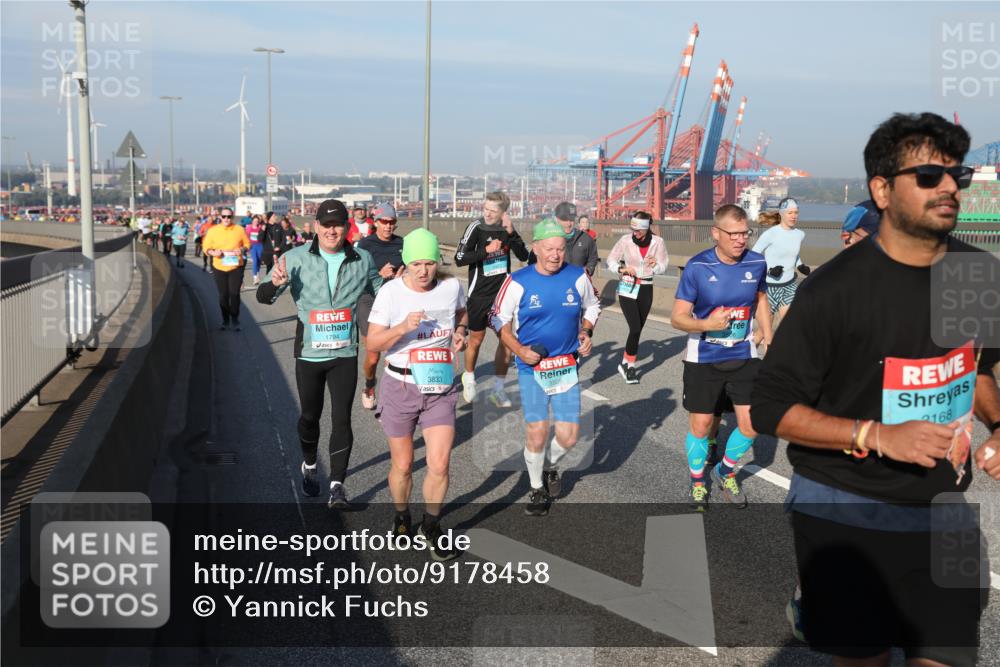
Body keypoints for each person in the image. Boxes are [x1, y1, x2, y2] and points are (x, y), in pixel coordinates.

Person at [751, 112, 999, 667]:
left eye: (957, 175)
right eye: (929, 176)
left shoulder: (978, 276)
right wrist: (878, 434)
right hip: (845, 512)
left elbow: (982, 368)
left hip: (943, 512)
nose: (949, 188)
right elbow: (768, 408)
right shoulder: (833, 292)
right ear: (882, 190)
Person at [257, 199, 383, 509]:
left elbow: (383, 294)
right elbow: (263, 297)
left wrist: (403, 286)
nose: (332, 230)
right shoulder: (295, 257)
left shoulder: (362, 258)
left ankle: (338, 485)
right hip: (309, 353)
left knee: (342, 418)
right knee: (309, 417)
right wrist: (274, 283)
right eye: (326, 225)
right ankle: (310, 464)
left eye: (338, 224)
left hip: (344, 352)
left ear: (346, 227)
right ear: (316, 227)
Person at [366, 229, 467, 560]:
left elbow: (461, 314)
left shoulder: (451, 287)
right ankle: (401, 516)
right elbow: (372, 344)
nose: (424, 271)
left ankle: (432, 526)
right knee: (404, 464)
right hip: (401, 385)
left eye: (429, 263)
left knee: (439, 463)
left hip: (438, 385)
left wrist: (460, 333)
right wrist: (401, 329)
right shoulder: (391, 294)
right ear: (405, 263)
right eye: (416, 264)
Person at [491, 219, 601, 516]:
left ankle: (551, 465)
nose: (555, 255)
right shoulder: (518, 281)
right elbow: (498, 318)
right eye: (549, 248)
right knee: (537, 432)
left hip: (566, 367)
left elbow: (593, 306)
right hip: (532, 369)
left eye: (561, 249)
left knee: (568, 437)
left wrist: (586, 332)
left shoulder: (578, 276)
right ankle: (537, 487)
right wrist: (518, 350)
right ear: (535, 248)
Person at [670, 204, 772, 511]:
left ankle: (725, 471)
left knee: (752, 424)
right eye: (735, 234)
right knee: (702, 426)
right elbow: (678, 317)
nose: (742, 240)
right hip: (704, 357)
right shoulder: (698, 267)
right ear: (716, 233)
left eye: (745, 233)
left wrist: (768, 334)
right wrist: (706, 325)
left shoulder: (757, 262)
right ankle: (698, 481)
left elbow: (761, 298)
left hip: (744, 353)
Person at [454, 191, 530, 406]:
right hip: (479, 294)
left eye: (493, 211)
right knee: (476, 340)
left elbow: (524, 256)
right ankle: (469, 376)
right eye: (485, 209)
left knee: (506, 341)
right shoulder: (475, 227)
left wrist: (512, 232)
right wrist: (486, 251)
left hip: (501, 295)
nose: (487, 214)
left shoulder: (506, 230)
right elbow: (459, 259)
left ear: (504, 213)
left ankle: (498, 389)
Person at [606, 211, 669, 384]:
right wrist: (621, 269)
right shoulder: (625, 240)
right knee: (634, 328)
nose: (635, 233)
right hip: (628, 286)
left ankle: (625, 363)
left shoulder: (658, 242)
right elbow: (611, 260)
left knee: (638, 329)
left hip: (646, 287)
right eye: (632, 229)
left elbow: (664, 265)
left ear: (647, 228)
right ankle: (631, 367)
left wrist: (655, 265)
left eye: (638, 230)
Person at [357, 202, 405, 410]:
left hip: (395, 300)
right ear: (375, 222)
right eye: (384, 221)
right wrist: (379, 274)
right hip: (369, 299)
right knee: (374, 354)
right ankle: (369, 385)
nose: (388, 226)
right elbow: (355, 278)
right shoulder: (364, 245)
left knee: (397, 352)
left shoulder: (403, 243)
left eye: (392, 222)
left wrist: (405, 276)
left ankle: (395, 395)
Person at [752, 197, 808, 328]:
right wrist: (770, 270)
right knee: (765, 332)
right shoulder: (770, 234)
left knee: (789, 326)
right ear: (782, 213)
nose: (794, 216)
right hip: (769, 287)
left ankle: (785, 348)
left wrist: (800, 265)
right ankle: (754, 348)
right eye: (790, 213)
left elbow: (793, 252)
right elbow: (754, 256)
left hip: (789, 285)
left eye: (796, 213)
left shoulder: (800, 234)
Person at [202, 207, 251, 331]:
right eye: (224, 216)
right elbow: (206, 247)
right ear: (220, 217)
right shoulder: (213, 231)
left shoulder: (239, 229)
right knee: (223, 295)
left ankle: (235, 318)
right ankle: (225, 319)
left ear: (232, 217)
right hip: (219, 267)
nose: (226, 219)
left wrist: (241, 249)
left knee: (234, 294)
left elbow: (247, 244)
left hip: (236, 266)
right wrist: (213, 252)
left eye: (229, 216)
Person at [528, 202, 599, 276]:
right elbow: (532, 262)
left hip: (577, 283)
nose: (569, 224)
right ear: (556, 219)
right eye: (565, 219)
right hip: (553, 283)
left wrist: (588, 270)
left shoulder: (585, 238)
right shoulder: (546, 238)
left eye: (571, 219)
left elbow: (593, 258)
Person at [245, 215, 265, 285]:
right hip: (252, 246)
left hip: (260, 245)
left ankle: (257, 274)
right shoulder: (248, 227)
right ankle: (255, 277)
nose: (256, 222)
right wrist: (247, 247)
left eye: (257, 221)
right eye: (254, 221)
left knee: (259, 261)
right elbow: (246, 237)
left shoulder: (260, 227)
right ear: (252, 221)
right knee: (255, 260)